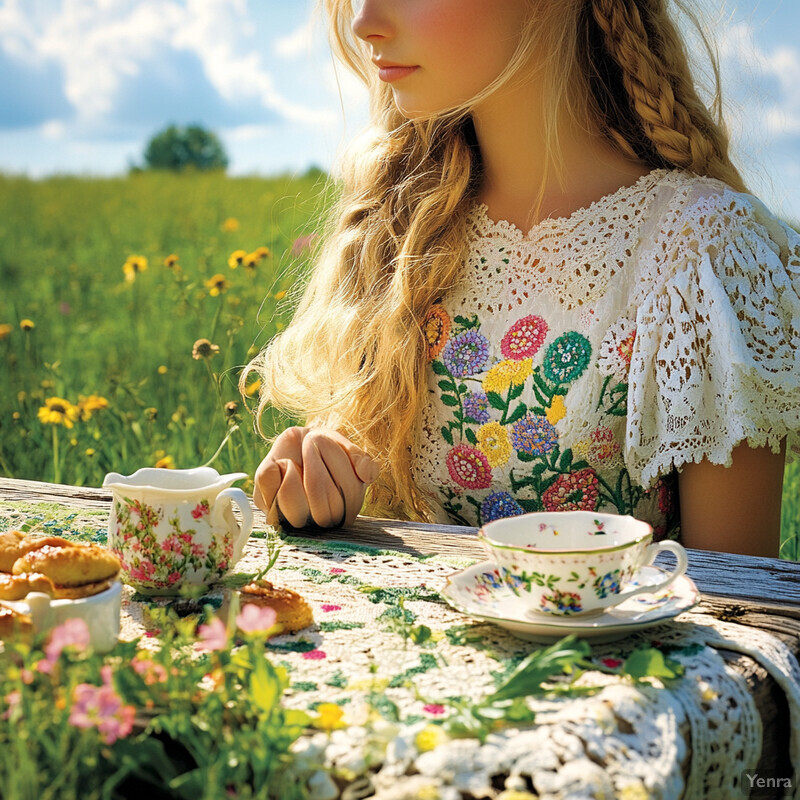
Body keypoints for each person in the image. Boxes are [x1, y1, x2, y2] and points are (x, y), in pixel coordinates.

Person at [243, 0, 800, 558]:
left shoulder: (701, 248)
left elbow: (736, 605)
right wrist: (319, 477)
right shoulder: (403, 232)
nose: (365, 23)